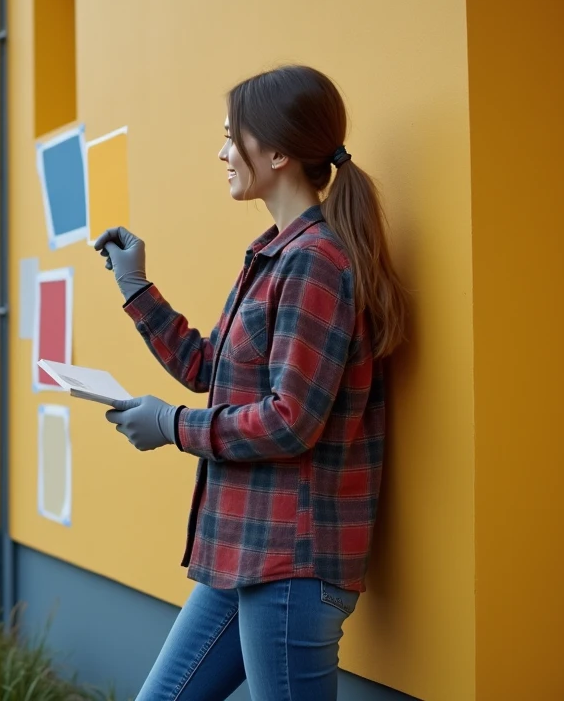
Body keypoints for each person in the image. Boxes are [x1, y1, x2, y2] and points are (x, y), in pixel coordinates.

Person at [95, 65, 407, 700]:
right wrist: (135, 286)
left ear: (279, 151)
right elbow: (210, 370)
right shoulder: (274, 253)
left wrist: (171, 426)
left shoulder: (317, 261)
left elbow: (291, 419)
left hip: (291, 564)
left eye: (231, 135)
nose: (221, 151)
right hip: (246, 553)